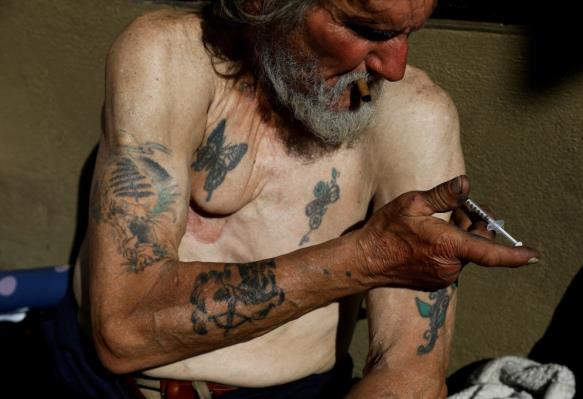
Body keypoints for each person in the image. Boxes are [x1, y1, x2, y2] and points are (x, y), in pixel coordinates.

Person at [68, 0, 540, 398]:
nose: (392, 68)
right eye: (365, 29)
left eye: (409, 32)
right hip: (96, 382)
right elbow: (123, 333)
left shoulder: (415, 113)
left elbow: (410, 375)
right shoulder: (170, 52)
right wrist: (366, 256)